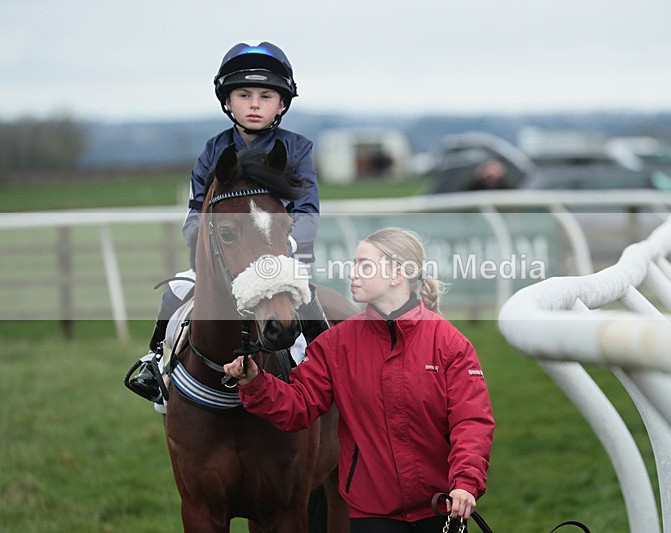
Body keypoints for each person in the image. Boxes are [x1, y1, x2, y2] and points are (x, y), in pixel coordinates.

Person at [223, 227, 495, 532]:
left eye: (364, 265)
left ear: (397, 275)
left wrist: (465, 484)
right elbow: (298, 406)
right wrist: (256, 382)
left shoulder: (450, 343)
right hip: (370, 516)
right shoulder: (336, 344)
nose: (351, 273)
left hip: (442, 508)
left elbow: (471, 422)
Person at [125, 41, 326, 405]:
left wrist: (284, 248)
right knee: (176, 292)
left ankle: (330, 368)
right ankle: (156, 362)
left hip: (283, 258)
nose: (254, 104)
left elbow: (307, 213)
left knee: (310, 306)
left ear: (282, 104)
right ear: (227, 102)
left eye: (265, 95)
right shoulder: (212, 151)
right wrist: (204, 242)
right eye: (244, 94)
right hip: (223, 260)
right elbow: (194, 213)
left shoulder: (298, 150)